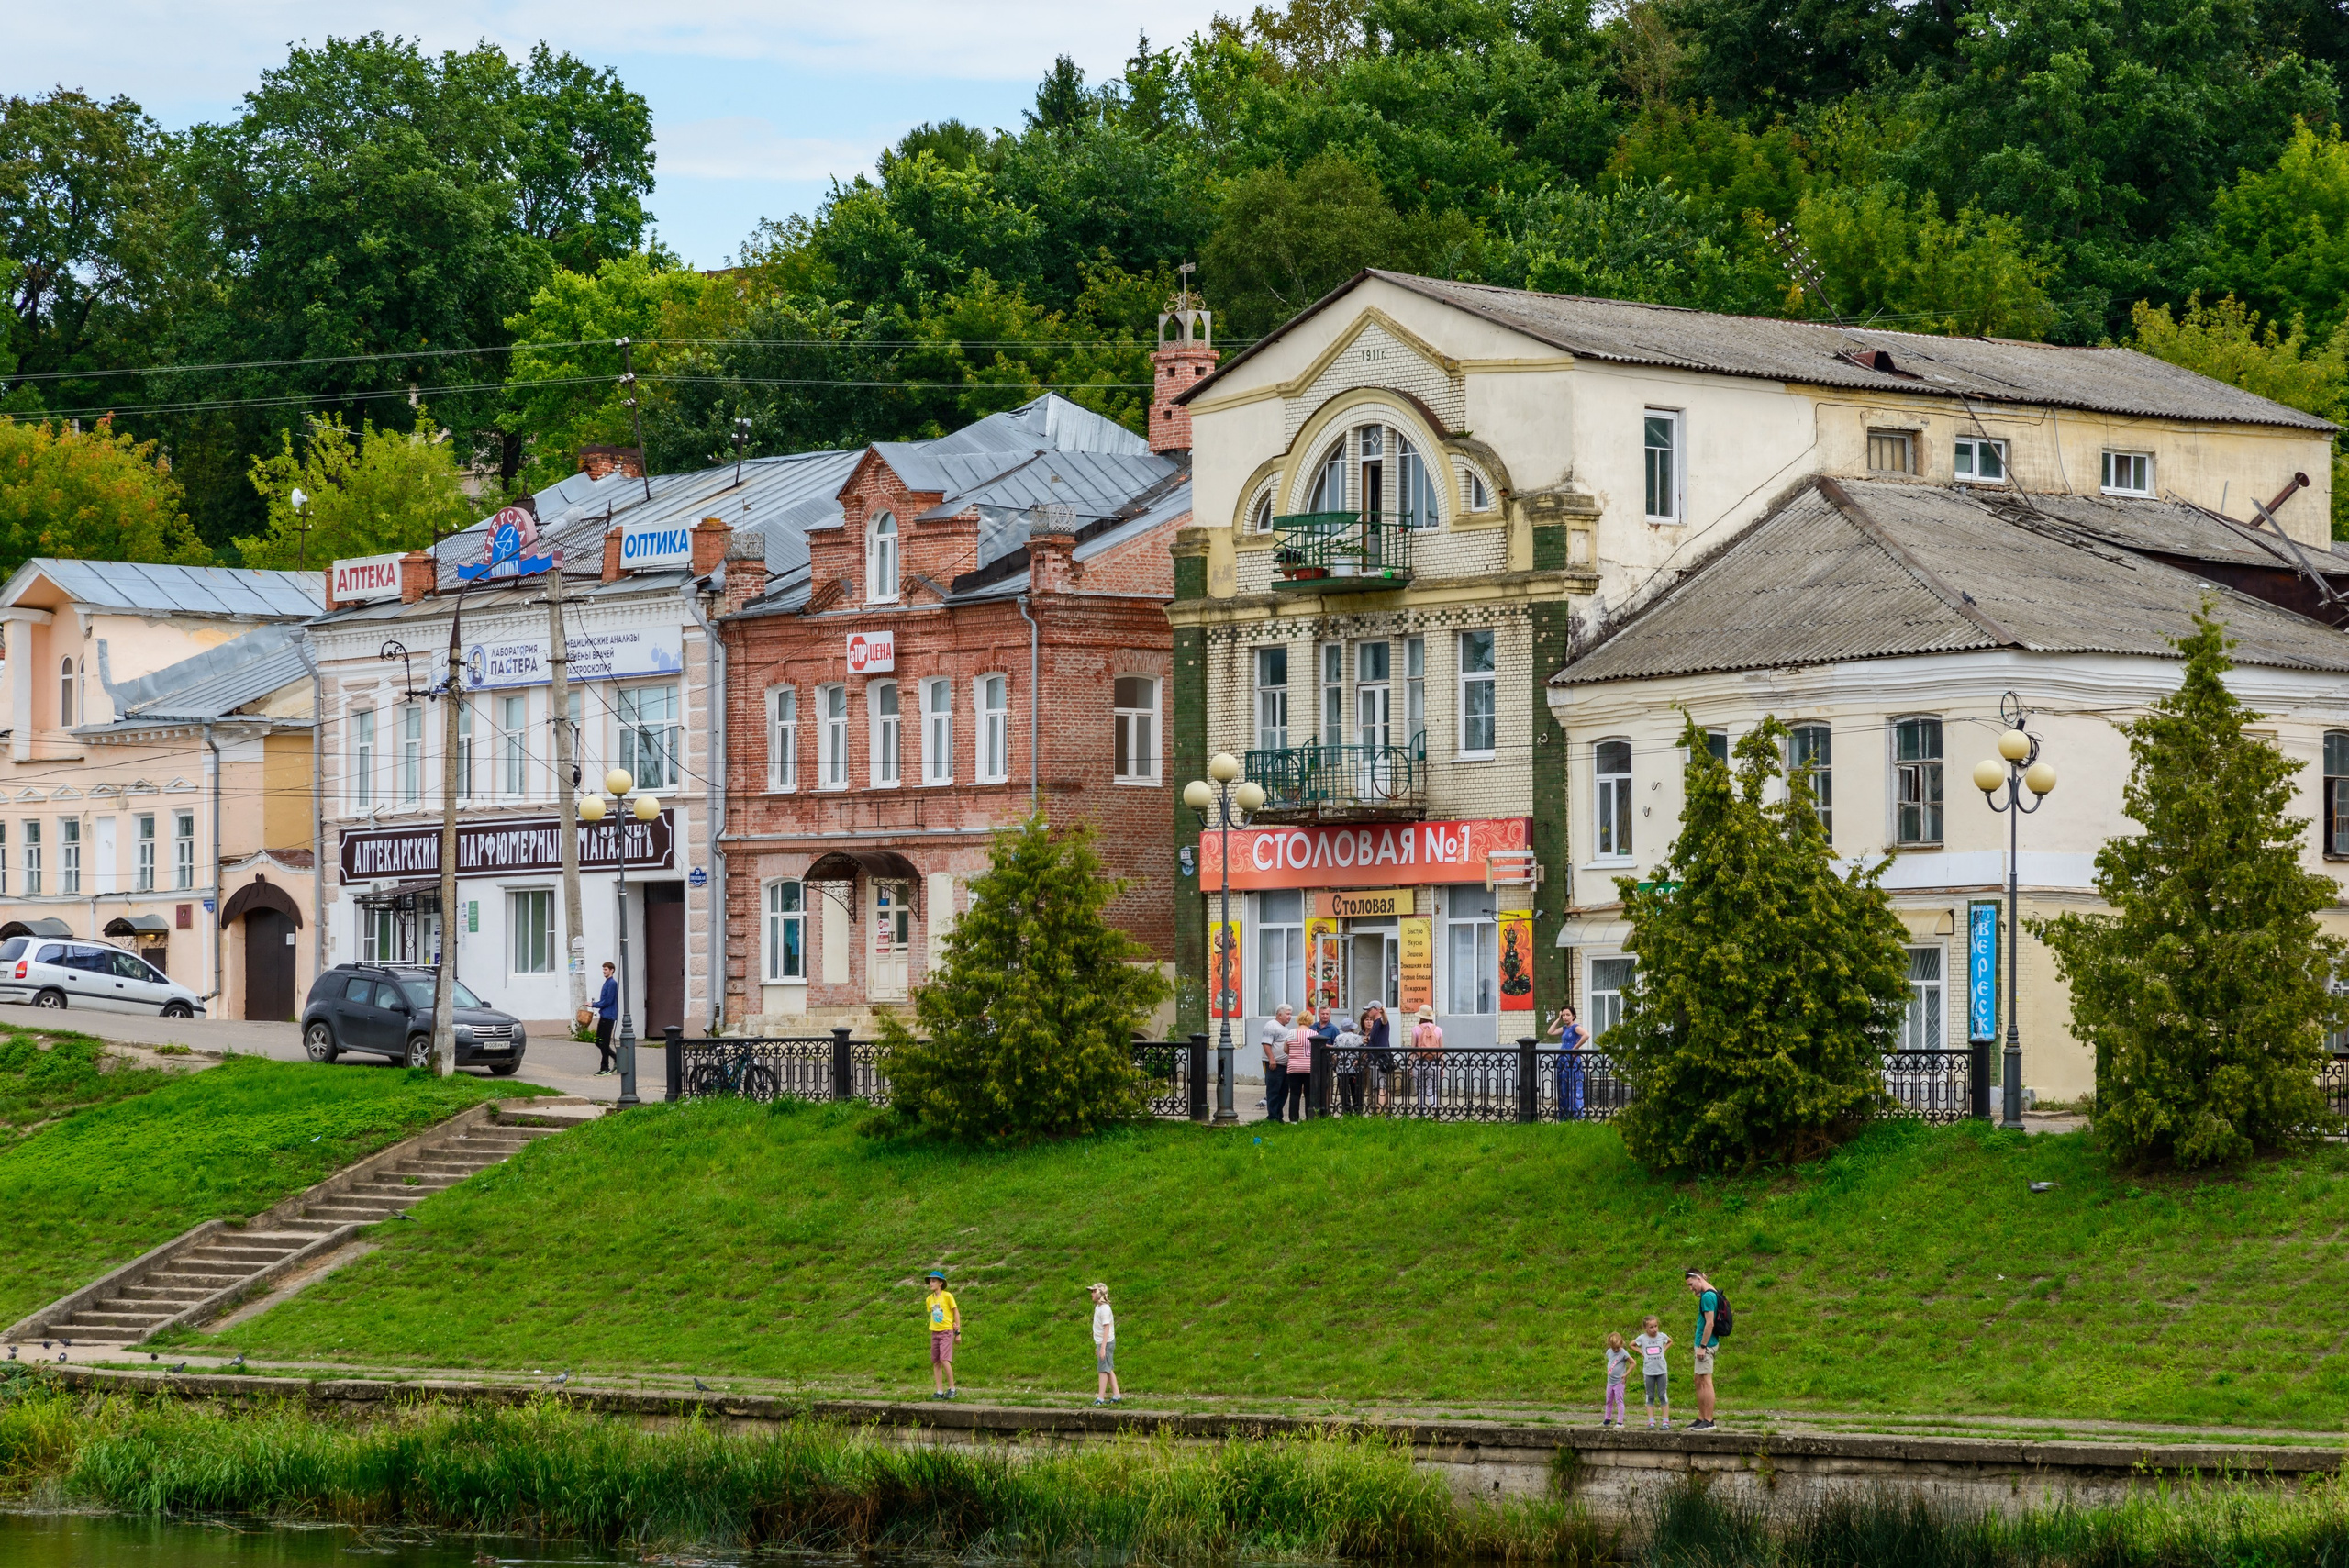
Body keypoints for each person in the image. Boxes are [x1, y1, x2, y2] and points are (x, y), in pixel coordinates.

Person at [1686, 1269, 1721, 1430]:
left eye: (1691, 1284)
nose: (1691, 1288)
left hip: (1705, 1345)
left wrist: (1702, 1346)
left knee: (1706, 1381)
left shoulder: (1707, 1296)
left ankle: (1709, 1420)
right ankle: (1701, 1418)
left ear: (1699, 1279)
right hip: (1704, 1344)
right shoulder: (1710, 1292)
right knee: (1698, 1380)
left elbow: (1710, 1323)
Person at [924, 1269, 962, 1399]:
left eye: (934, 1281)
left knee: (944, 1359)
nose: (931, 1283)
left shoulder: (947, 1296)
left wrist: (957, 1332)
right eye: (930, 1281)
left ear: (940, 1283)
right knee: (936, 1362)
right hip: (935, 1332)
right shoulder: (929, 1299)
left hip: (946, 1331)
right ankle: (939, 1391)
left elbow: (955, 1312)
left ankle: (952, 1389)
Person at [1632, 1314, 1673, 1429]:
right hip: (1649, 1371)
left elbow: (1670, 1341)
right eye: (1651, 1327)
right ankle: (1651, 1420)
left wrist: (1664, 1350)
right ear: (1645, 1328)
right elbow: (1632, 1345)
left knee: (1662, 1395)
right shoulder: (1642, 1338)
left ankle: (1666, 1421)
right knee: (1650, 1396)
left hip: (1661, 1370)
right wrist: (1642, 1353)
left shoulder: (1662, 1336)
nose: (1654, 1329)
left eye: (1656, 1326)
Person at [1552, 1006, 1586, 1120]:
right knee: (1564, 1086)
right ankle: (1565, 1113)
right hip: (1563, 1059)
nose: (1565, 1017)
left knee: (1574, 1086)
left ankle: (1576, 1113)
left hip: (1572, 1059)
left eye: (1568, 1015)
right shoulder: (1565, 1028)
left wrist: (1575, 1049)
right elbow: (1550, 1032)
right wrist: (1558, 1018)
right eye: (1563, 1015)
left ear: (1573, 1016)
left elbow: (1586, 1035)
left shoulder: (1575, 1027)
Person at [1258, 1006, 1294, 1117]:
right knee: (1273, 1090)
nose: (1290, 1016)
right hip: (1274, 1065)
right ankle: (1272, 1117)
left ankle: (1278, 1116)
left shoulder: (1285, 1028)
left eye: (1290, 1014)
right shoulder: (1271, 1025)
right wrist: (1271, 1059)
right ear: (1279, 1014)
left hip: (1284, 1065)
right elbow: (1266, 1043)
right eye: (1288, 1014)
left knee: (1283, 1092)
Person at [1090, 1282, 1121, 1405]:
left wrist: (1103, 1347)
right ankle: (1117, 1395)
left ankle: (1100, 1398)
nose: (1092, 1294)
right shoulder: (1098, 1307)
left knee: (1103, 1370)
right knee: (1108, 1369)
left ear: (1100, 1294)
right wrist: (1098, 1346)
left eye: (1094, 1291)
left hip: (1107, 1343)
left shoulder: (1104, 1309)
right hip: (1103, 1343)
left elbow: (1106, 1328)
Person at [1282, 1008, 1316, 1121]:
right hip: (1309, 1067)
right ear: (1310, 1020)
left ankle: (1293, 1119)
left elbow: (1286, 1049)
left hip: (1294, 1067)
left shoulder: (1291, 1033)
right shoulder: (1314, 1034)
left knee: (1295, 1093)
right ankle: (1309, 1118)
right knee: (1308, 1094)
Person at [1409, 1006, 1444, 1109]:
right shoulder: (1438, 1030)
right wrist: (1442, 1066)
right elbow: (1441, 1050)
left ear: (1420, 1016)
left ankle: (1422, 1114)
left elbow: (1412, 1049)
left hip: (1419, 1063)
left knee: (1420, 1090)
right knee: (1431, 1090)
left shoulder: (1415, 1029)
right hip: (1434, 1063)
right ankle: (1436, 1111)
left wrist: (1410, 1065)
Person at [1360, 1002, 1393, 1111]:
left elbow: (1385, 1020)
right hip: (1379, 1057)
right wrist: (1369, 1040)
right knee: (1383, 1087)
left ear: (1377, 1010)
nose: (1367, 1012)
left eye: (1369, 1010)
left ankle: (1379, 1113)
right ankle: (1387, 1112)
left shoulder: (1381, 1021)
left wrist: (1383, 1013)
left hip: (1378, 1058)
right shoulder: (1376, 1023)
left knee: (1379, 1087)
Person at [1332, 1010, 1366, 1116]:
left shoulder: (1338, 1038)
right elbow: (1363, 1051)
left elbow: (1334, 1054)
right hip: (1356, 1068)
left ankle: (1346, 1111)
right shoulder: (1358, 1038)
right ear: (1352, 1028)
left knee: (1344, 1091)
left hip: (1342, 1068)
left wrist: (1336, 1065)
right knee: (1356, 1090)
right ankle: (1358, 1110)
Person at [1602, 1330, 1634, 1428]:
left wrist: (1626, 1374)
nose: (1616, 1349)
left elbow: (1633, 1363)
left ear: (1621, 1343)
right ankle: (1607, 1419)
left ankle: (1620, 1422)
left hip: (1619, 1382)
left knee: (1619, 1401)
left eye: (1618, 1347)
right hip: (1610, 1381)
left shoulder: (1623, 1353)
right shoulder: (1609, 1352)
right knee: (1608, 1400)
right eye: (1614, 1348)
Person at [593, 962, 619, 1074]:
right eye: (603, 969)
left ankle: (605, 1068)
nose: (604, 971)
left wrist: (593, 1004)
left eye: (606, 969)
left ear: (612, 970)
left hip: (609, 1016)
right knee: (598, 1041)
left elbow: (608, 1001)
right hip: (604, 1015)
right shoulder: (607, 982)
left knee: (604, 1042)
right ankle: (617, 1058)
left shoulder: (612, 983)